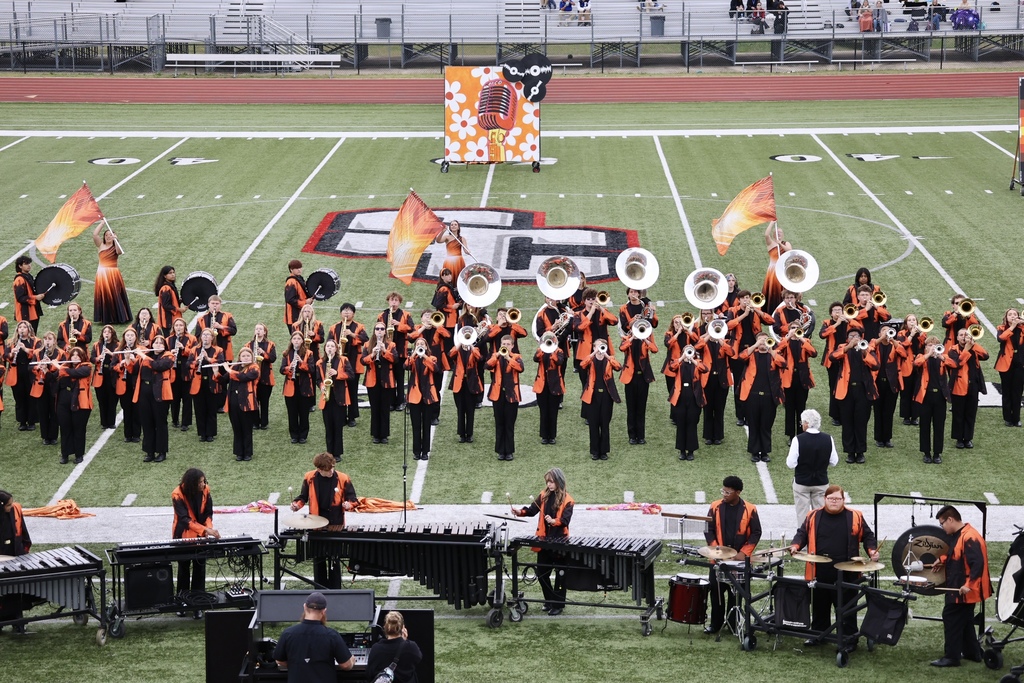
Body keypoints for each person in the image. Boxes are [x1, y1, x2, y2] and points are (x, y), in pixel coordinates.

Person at [790, 485, 879, 649]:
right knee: (819, 606)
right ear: (824, 499)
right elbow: (802, 533)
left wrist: (872, 550)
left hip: (848, 572)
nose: (834, 502)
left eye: (837, 499)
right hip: (820, 570)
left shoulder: (855, 516)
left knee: (847, 608)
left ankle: (849, 639)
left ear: (843, 500)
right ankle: (818, 634)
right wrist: (795, 545)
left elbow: (868, 536)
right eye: (831, 499)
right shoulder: (813, 515)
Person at [928, 505, 992, 667]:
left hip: (964, 590)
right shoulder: (961, 535)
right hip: (961, 588)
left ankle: (952, 656)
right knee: (965, 620)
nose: (942, 527)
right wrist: (942, 560)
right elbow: (957, 554)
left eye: (942, 523)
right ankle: (973, 653)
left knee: (951, 617)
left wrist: (969, 585)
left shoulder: (970, 537)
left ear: (950, 519)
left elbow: (977, 563)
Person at [704, 476, 762, 635]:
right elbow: (708, 530)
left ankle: (733, 623)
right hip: (718, 558)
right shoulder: (715, 507)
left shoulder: (750, 509)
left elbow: (756, 532)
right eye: (723, 491)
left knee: (735, 594)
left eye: (728, 492)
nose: (724, 494)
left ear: (738, 492)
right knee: (716, 591)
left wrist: (744, 553)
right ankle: (715, 624)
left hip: (739, 560)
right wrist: (717, 550)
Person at [512, 468, 574, 615]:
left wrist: (554, 521)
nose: (549, 484)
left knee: (560, 575)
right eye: (547, 481)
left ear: (559, 481)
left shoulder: (568, 500)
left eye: (551, 481)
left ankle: (558, 605)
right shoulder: (543, 495)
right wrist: (519, 512)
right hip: (544, 541)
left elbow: (565, 521)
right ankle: (549, 600)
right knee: (542, 573)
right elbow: (532, 510)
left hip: (559, 543)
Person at [291, 453, 358, 588]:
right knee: (319, 558)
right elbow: (303, 497)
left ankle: (335, 588)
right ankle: (319, 587)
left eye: (332, 468)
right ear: (319, 469)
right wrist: (296, 505)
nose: (331, 471)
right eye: (328, 470)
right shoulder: (309, 477)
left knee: (335, 558)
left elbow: (353, 499)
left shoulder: (343, 478)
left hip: (335, 523)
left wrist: (349, 505)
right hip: (316, 522)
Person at [273, 591, 354, 681]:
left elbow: (279, 660)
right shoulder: (331, 635)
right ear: (324, 611)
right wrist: (352, 661)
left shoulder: (288, 633)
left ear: (304, 606)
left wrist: (297, 665)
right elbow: (346, 665)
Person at [172, 468, 220, 610]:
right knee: (184, 568)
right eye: (200, 482)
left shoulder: (206, 490)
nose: (203, 484)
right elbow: (184, 519)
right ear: (192, 484)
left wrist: (208, 528)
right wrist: (205, 530)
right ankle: (182, 601)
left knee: (200, 568)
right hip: (183, 536)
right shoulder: (177, 494)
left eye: (204, 481)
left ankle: (198, 602)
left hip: (201, 535)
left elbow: (208, 513)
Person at [830, 325, 878, 465]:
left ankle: (860, 451)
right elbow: (832, 357)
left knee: (861, 422)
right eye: (851, 336)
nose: (854, 338)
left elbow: (875, 365)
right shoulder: (842, 348)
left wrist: (864, 352)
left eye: (856, 336)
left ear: (861, 338)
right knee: (847, 422)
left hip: (863, 391)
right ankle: (850, 452)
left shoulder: (867, 349)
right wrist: (847, 347)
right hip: (846, 391)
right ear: (847, 338)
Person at [618, 288, 659, 446]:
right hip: (630, 373)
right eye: (632, 292)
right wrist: (632, 330)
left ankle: (641, 435)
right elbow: (622, 347)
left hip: (643, 373)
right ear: (628, 293)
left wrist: (652, 313)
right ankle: (632, 435)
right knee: (631, 407)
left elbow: (655, 348)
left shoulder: (647, 332)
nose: (635, 294)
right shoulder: (627, 332)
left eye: (637, 292)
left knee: (641, 406)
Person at [786, 409, 839, 526]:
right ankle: (820, 543)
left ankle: (803, 544)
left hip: (802, 483)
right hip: (821, 482)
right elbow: (834, 461)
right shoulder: (828, 438)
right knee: (821, 519)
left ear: (806, 423)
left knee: (802, 519)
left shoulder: (798, 439)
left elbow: (791, 463)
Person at [738, 332, 785, 463]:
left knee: (766, 425)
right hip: (752, 395)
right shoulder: (752, 354)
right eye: (760, 340)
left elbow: (783, 363)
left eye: (765, 340)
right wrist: (755, 345)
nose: (763, 342)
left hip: (770, 396)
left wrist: (771, 350)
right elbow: (741, 357)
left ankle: (764, 452)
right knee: (753, 424)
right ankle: (754, 451)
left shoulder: (774, 355)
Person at [914, 335, 956, 464]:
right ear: (925, 347)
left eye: (935, 345)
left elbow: (954, 364)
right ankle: (926, 453)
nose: (932, 347)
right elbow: (916, 363)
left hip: (939, 397)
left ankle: (937, 453)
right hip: (925, 397)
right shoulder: (921, 357)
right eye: (929, 345)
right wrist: (928, 354)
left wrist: (941, 356)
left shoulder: (944, 358)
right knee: (924, 425)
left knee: (939, 426)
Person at [580, 338, 621, 461]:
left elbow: (618, 367)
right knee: (593, 425)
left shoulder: (609, 359)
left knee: (605, 424)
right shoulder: (590, 359)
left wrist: (607, 356)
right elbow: (582, 365)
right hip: (592, 396)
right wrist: (593, 354)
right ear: (593, 347)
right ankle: (594, 451)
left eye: (602, 346)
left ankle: (604, 451)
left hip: (606, 396)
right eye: (598, 346)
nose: (600, 348)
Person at [135, 335, 174, 463]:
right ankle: (149, 451)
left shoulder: (168, 356)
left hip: (160, 393)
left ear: (164, 345)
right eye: (155, 342)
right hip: (144, 392)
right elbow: (134, 371)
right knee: (146, 423)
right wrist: (129, 360)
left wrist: (143, 356)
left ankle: (162, 451)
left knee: (160, 423)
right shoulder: (147, 355)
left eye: (160, 343)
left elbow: (158, 366)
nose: (157, 345)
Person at [948, 327, 988, 450]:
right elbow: (958, 363)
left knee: (971, 413)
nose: (963, 337)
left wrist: (974, 344)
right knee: (958, 413)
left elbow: (985, 356)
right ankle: (959, 439)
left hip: (973, 385)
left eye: (966, 335)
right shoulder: (952, 350)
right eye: (961, 335)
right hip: (959, 385)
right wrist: (966, 349)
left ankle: (968, 438)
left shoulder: (974, 348)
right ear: (957, 337)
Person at [329, 303, 367, 428]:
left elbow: (365, 339)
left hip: (354, 362)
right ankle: (340, 416)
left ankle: (351, 416)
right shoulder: (334, 327)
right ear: (340, 313)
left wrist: (351, 334)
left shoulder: (359, 326)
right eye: (344, 310)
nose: (346, 312)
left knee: (352, 390)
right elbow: (329, 342)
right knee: (339, 390)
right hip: (338, 362)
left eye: (349, 310)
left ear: (353, 314)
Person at [486, 335, 523, 461]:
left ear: (512, 346)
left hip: (512, 395)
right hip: (498, 395)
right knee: (499, 423)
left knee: (509, 424)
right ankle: (501, 451)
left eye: (508, 344)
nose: (505, 346)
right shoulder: (495, 357)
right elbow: (487, 366)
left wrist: (508, 358)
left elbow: (520, 368)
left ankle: (509, 451)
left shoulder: (516, 357)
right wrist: (496, 356)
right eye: (504, 344)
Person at [54, 346, 93, 465]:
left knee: (79, 429)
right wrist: (46, 369)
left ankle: (79, 454)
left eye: (78, 355)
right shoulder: (65, 366)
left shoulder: (87, 367)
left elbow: (75, 373)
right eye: (73, 355)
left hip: (81, 403)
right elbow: (53, 378)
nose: (75, 357)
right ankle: (65, 454)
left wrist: (59, 367)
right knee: (65, 428)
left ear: (82, 357)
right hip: (63, 401)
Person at [0, 490, 32, 633]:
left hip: (16, 556)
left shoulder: (16, 509)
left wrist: (24, 551)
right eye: (8, 505)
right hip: (2, 559)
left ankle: (18, 620)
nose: (11, 506)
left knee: (16, 589)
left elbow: (23, 531)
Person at [317, 339, 353, 462]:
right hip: (327, 397)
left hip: (339, 397)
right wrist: (322, 386)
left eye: (332, 346)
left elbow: (351, 375)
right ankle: (329, 452)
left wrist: (337, 373)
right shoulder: (320, 362)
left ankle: (337, 453)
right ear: (325, 348)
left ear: (336, 349)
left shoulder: (343, 360)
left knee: (338, 426)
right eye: (328, 346)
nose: (330, 348)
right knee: (328, 427)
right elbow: (317, 379)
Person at [670, 342, 707, 461]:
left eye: (690, 350)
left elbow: (704, 369)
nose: (688, 352)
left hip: (693, 396)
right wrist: (682, 358)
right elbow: (672, 367)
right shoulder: (678, 362)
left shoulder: (697, 364)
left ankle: (691, 451)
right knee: (681, 424)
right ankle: (681, 450)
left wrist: (694, 360)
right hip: (680, 397)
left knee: (692, 424)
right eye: (686, 350)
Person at [870, 325, 905, 449]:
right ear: (879, 334)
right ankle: (879, 438)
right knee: (878, 411)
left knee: (889, 412)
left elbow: (903, 353)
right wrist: (881, 339)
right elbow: (869, 349)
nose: (886, 333)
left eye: (888, 331)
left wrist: (893, 340)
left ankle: (887, 438)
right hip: (877, 382)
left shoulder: (896, 344)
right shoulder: (875, 343)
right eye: (883, 331)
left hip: (892, 383)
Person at [378, 292, 413, 412]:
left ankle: (401, 401)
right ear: (388, 301)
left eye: (396, 300)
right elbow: (377, 329)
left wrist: (399, 324)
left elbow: (411, 328)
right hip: (387, 350)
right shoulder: (383, 315)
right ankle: (391, 402)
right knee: (389, 377)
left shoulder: (405, 314)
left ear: (399, 302)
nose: (394, 302)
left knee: (400, 377)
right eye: (392, 300)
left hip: (400, 350)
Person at [189, 328, 226, 443]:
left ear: (212, 338)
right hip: (198, 383)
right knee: (199, 409)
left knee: (211, 409)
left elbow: (221, 363)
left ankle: (210, 433)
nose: (205, 337)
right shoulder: (194, 350)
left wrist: (208, 358)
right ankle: (202, 433)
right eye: (203, 335)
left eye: (208, 335)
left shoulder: (218, 350)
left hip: (211, 382)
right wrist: (196, 361)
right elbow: (188, 364)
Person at [362, 322, 396, 445]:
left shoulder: (391, 345)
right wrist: (372, 354)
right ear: (374, 331)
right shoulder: (367, 344)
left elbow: (395, 359)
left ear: (385, 331)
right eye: (377, 329)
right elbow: (363, 361)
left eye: (382, 329)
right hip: (372, 380)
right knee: (375, 408)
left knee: (385, 408)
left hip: (386, 380)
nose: (380, 331)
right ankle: (376, 434)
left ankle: (384, 435)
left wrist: (384, 351)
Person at [366, 611, 423, 683]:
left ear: (385, 628)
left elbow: (369, 673)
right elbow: (418, 658)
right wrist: (405, 641)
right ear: (402, 628)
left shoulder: (376, 648)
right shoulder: (411, 647)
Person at [406, 337, 439, 461]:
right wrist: (414, 354)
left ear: (426, 347)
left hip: (428, 396)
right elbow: (406, 366)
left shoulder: (432, 358)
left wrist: (424, 356)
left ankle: (425, 451)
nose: (420, 345)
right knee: (416, 425)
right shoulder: (412, 359)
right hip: (415, 396)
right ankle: (416, 451)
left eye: (422, 344)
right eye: (418, 344)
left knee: (426, 425)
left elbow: (436, 369)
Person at [92, 223, 131, 325]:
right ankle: (106, 318)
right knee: (104, 295)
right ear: (104, 237)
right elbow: (95, 235)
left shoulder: (116, 246)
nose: (108, 237)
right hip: (101, 274)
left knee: (115, 294)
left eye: (111, 235)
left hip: (113, 273)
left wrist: (116, 240)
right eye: (106, 235)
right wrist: (102, 222)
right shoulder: (101, 245)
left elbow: (119, 252)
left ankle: (119, 317)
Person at [451, 327, 485, 444]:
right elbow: (451, 354)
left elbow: (479, 358)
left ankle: (469, 434)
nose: (467, 337)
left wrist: (471, 346)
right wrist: (460, 342)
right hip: (459, 383)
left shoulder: (475, 349)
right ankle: (461, 434)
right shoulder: (458, 349)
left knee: (470, 410)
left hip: (471, 383)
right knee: (460, 409)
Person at [533, 332, 566, 446]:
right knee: (543, 411)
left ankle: (552, 436)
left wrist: (552, 351)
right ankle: (544, 435)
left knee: (553, 412)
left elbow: (559, 362)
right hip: (542, 385)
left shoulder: (559, 352)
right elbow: (535, 359)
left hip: (555, 385)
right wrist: (542, 349)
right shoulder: (540, 350)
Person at [281, 331, 314, 445]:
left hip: (304, 386)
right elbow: (281, 370)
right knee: (292, 412)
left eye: (299, 339)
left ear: (302, 341)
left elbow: (311, 369)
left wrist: (301, 363)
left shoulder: (308, 353)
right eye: (294, 339)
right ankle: (294, 435)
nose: (296, 341)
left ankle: (303, 435)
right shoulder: (286, 353)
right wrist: (289, 367)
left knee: (304, 413)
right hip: (291, 386)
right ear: (291, 340)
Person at [226, 347, 259, 462]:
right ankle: (239, 453)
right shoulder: (235, 367)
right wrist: (216, 371)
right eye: (243, 356)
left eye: (248, 356)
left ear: (252, 357)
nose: (245, 358)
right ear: (239, 357)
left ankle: (247, 453)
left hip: (247, 403)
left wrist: (230, 371)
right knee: (237, 428)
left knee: (246, 428)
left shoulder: (254, 368)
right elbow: (223, 380)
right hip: (233, 402)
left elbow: (244, 377)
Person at [32, 331, 64, 447]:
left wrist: (49, 368)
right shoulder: (37, 352)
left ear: (54, 341)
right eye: (45, 339)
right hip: (40, 386)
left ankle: (53, 436)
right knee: (43, 412)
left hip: (54, 386)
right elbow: (29, 367)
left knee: (54, 412)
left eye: (50, 339)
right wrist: (39, 366)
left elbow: (63, 369)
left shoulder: (60, 353)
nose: (47, 341)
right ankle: (45, 436)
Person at [244, 323, 278, 431]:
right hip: (252, 377)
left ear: (264, 332)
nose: (258, 331)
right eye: (256, 329)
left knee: (264, 401)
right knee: (254, 400)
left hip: (265, 376)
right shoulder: (249, 345)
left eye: (260, 329)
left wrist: (263, 353)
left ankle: (264, 422)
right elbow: (243, 359)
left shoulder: (270, 344)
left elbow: (272, 358)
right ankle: (255, 422)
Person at [8, 320, 41, 431]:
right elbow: (5, 356)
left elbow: (38, 354)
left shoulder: (36, 341)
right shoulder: (11, 342)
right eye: (20, 327)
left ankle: (31, 421)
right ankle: (22, 421)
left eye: (24, 327)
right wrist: (12, 353)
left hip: (30, 372)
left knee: (31, 397)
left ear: (29, 329)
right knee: (19, 398)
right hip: (17, 372)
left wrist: (25, 349)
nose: (22, 329)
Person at [994, 308, 1024, 427]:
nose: (1012, 316)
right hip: (1006, 363)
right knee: (1006, 391)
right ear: (1006, 318)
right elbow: (1001, 339)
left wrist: (1020, 324)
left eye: (1014, 314)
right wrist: (1012, 327)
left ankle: (1016, 418)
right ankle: (1007, 418)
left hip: (1020, 363)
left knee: (1017, 392)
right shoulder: (1001, 328)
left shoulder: (1022, 328)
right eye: (1010, 315)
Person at [897, 314, 927, 427]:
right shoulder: (901, 334)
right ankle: (906, 416)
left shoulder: (922, 333)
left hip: (918, 365)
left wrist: (919, 334)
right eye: (909, 320)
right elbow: (902, 346)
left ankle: (915, 416)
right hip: (906, 366)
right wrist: (912, 334)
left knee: (917, 391)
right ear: (906, 323)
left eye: (914, 320)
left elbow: (924, 345)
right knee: (906, 392)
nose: (912, 322)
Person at [115, 327, 142, 443]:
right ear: (124, 337)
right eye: (127, 335)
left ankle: (136, 434)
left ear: (135, 337)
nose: (130, 338)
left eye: (132, 335)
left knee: (137, 410)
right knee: (126, 409)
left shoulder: (140, 350)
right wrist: (122, 364)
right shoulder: (119, 350)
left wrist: (133, 360)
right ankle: (127, 434)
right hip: (124, 383)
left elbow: (142, 366)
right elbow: (113, 366)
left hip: (136, 383)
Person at [167, 318, 195, 431]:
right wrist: (170, 353)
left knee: (187, 398)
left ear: (184, 327)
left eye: (181, 325)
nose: (178, 327)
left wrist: (184, 349)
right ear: (173, 327)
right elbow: (163, 353)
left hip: (186, 371)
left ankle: (185, 423)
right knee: (174, 398)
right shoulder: (168, 339)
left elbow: (194, 353)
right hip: (173, 371)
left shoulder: (191, 338)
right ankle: (174, 419)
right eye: (176, 325)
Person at [91, 324, 120, 430]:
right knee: (102, 400)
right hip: (100, 374)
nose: (106, 334)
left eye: (109, 332)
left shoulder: (118, 345)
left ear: (112, 334)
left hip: (112, 374)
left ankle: (111, 422)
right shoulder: (97, 345)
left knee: (112, 400)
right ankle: (104, 422)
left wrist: (112, 354)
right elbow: (92, 358)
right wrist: (98, 358)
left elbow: (120, 358)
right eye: (105, 332)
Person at [197, 295, 238, 362]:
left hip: (224, 348)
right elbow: (197, 336)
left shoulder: (227, 316)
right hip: (207, 350)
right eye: (213, 303)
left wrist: (220, 327)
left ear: (220, 305)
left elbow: (234, 330)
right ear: (208, 304)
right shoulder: (201, 319)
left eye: (217, 303)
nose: (215, 305)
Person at [12, 255, 45, 333]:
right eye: (26, 264)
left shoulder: (28, 276)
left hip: (33, 312)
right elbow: (20, 298)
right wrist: (35, 297)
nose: (29, 265)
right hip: (25, 313)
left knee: (32, 335)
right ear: (20, 266)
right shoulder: (19, 279)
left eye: (29, 263)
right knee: (26, 337)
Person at [284, 259, 309, 338]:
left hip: (300, 315)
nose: (299, 270)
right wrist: (305, 303)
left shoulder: (299, 278)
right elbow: (290, 299)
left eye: (300, 267)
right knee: (297, 340)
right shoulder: (291, 282)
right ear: (291, 270)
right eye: (297, 268)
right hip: (293, 317)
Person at [154, 266, 181, 338]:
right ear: (165, 276)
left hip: (169, 319)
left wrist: (179, 301)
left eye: (173, 272)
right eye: (170, 273)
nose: (173, 274)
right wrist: (179, 309)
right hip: (168, 319)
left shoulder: (170, 285)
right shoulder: (166, 288)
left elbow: (172, 301)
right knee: (170, 339)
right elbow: (166, 305)